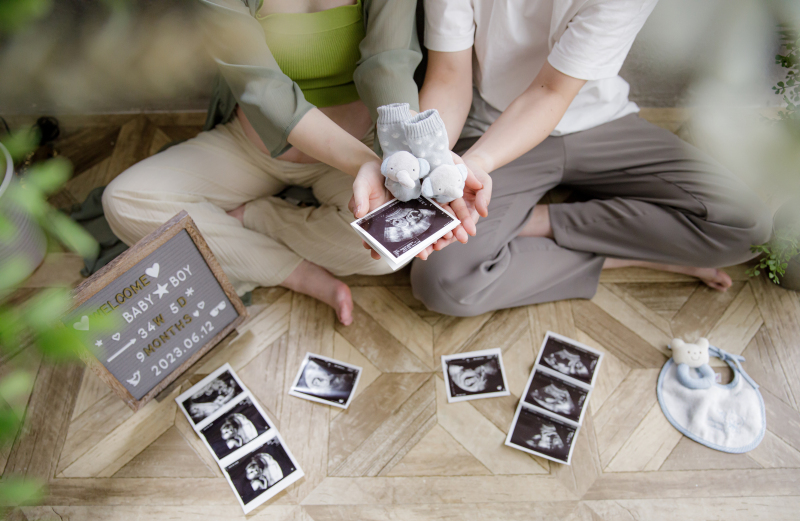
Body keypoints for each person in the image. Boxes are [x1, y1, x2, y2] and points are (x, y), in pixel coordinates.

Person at [408, 0, 773, 317]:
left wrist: (477, 166)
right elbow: (448, 75)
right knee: (442, 283)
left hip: (601, 123)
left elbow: (551, 92)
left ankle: (533, 220)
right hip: (494, 126)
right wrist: (433, 162)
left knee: (746, 227)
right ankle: (634, 254)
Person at [101, 0, 429, 326]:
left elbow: (389, 63)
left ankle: (253, 219)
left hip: (360, 152)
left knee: (392, 249)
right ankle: (296, 274)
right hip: (254, 148)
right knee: (124, 201)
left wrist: (399, 159)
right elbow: (264, 89)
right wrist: (364, 165)